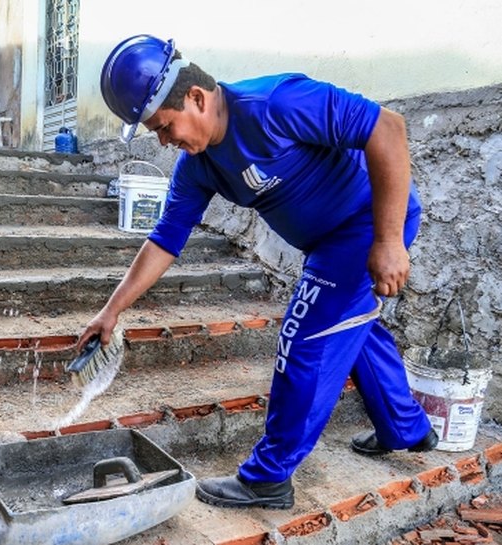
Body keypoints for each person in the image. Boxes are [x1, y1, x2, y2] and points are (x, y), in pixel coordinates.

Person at [81, 34, 438, 510]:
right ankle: (407, 428)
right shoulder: (197, 166)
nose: (165, 141)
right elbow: (166, 239)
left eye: (165, 127)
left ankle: (268, 478)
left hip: (367, 224)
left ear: (196, 98)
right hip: (326, 244)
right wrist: (111, 311)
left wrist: (389, 240)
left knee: (303, 338)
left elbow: (388, 128)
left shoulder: (275, 103)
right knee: (350, 324)